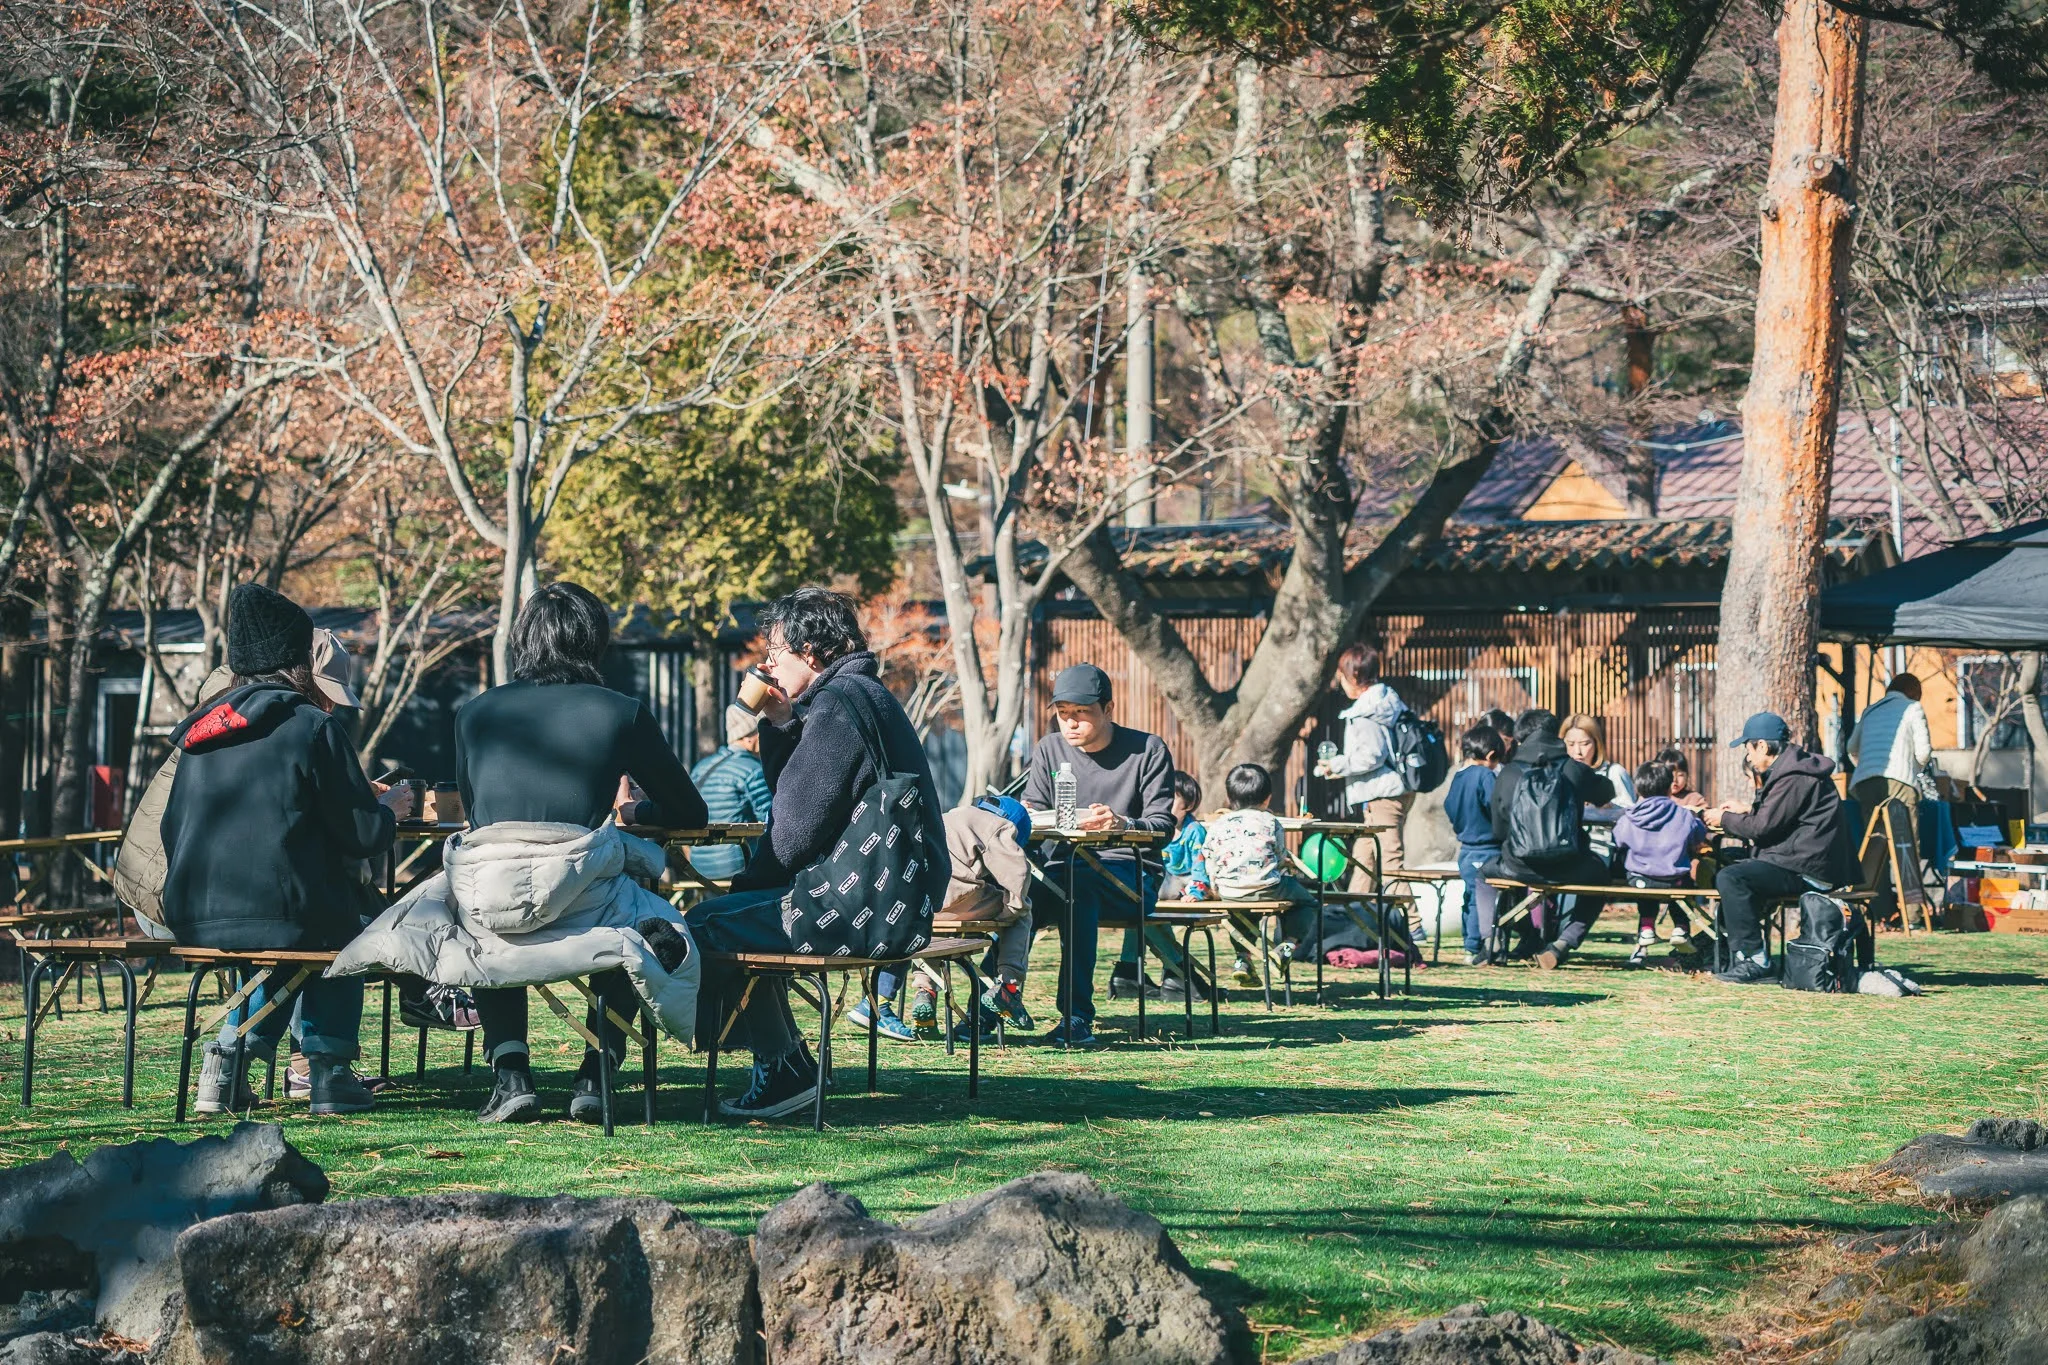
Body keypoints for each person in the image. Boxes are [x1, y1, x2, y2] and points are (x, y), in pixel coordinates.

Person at [451, 582, 709, 1122]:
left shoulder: (473, 713)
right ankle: (598, 1068)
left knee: (488, 898)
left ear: (524, 640)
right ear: (595, 641)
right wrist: (637, 815)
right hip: (580, 897)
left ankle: (510, 1073)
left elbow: (477, 815)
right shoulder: (619, 711)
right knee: (631, 906)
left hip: (488, 897)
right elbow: (690, 812)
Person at [688, 587, 950, 1117]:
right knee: (733, 916)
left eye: (775, 652)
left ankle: (782, 1067)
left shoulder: (838, 705)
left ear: (811, 652)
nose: (767, 665)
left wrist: (760, 726)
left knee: (706, 924)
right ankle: (789, 1066)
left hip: (862, 906)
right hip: (894, 895)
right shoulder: (862, 694)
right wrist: (784, 725)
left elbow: (790, 836)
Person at [160, 584, 414, 1117]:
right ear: (296, 660)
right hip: (283, 914)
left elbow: (169, 829)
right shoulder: (311, 725)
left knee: (291, 938)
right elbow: (363, 835)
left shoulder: (200, 731)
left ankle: (227, 1061)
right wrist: (392, 811)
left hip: (191, 912)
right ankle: (329, 1072)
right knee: (348, 928)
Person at [1020, 662, 1176, 1047]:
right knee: (1016, 895)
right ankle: (988, 1006)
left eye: (1081, 714)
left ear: (1108, 709)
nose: (1070, 724)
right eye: (1063, 714)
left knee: (1079, 887)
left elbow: (1163, 825)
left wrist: (1122, 823)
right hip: (1061, 869)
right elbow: (1033, 813)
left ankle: (1075, 1017)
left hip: (1130, 877)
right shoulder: (1049, 748)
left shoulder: (1147, 749)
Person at [1706, 712, 1849, 984]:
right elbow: (1782, 817)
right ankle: (1731, 951)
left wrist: (1723, 819)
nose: (1748, 757)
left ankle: (1753, 959)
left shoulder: (1792, 776)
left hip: (1806, 869)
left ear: (1761, 745)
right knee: (1734, 863)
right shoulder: (1794, 770)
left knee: (1732, 877)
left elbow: (1762, 828)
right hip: (1805, 861)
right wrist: (1748, 809)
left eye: (1748, 748)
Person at [1486, 708, 1616, 969]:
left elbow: (1499, 831)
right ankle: (1564, 942)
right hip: (1571, 866)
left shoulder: (1509, 773)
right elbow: (1606, 792)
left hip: (1520, 865)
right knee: (1601, 876)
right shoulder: (1573, 769)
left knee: (1486, 875)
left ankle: (1499, 939)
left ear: (1521, 737)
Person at [1203, 764, 1321, 982]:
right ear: (1267, 798)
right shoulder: (1270, 821)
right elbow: (1279, 854)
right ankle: (1286, 945)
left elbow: (1209, 855)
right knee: (1308, 902)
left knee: (1240, 914)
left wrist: (1216, 885)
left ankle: (1242, 959)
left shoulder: (1218, 824)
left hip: (1229, 891)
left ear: (1229, 797)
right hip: (1268, 887)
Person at [1313, 644, 1410, 892]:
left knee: (1390, 862)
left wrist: (1336, 764)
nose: (1341, 683)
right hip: (1389, 791)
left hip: (1382, 794)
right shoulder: (1387, 700)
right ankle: (1355, 915)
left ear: (1354, 676)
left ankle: (1413, 927)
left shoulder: (1368, 711)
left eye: (1342, 677)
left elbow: (1370, 757)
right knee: (1363, 859)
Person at [942, 795, 1037, 1041]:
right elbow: (1017, 871)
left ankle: (925, 990)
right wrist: (1012, 909)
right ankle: (1009, 986)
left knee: (934, 933)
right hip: (956, 900)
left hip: (919, 905)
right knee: (1023, 913)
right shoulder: (999, 826)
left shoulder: (950, 815)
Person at [1845, 673, 1933, 924]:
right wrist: (1914, 770)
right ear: (1914, 692)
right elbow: (1924, 751)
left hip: (1865, 781)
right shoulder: (1913, 707)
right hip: (1900, 781)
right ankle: (1913, 915)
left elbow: (1852, 746)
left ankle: (1876, 910)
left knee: (1875, 847)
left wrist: (1866, 766)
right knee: (1906, 848)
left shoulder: (1870, 710)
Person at [1611, 759, 1708, 966]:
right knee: (1681, 888)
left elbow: (1618, 840)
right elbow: (1698, 834)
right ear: (1668, 787)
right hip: (1675, 879)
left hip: (1639, 879)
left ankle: (1646, 928)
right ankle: (1681, 928)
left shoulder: (1630, 817)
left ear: (1638, 787)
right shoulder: (1683, 815)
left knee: (1647, 889)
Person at [687, 703, 774, 881]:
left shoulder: (701, 767)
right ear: (749, 738)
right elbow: (772, 817)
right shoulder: (752, 770)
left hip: (698, 865)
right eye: (762, 731)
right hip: (738, 863)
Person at [1443, 723, 1504, 965]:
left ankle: (1469, 942)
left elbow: (1449, 806)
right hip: (1487, 847)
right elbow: (1495, 807)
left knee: (1469, 896)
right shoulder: (1486, 775)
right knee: (1484, 897)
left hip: (1465, 849)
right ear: (1491, 756)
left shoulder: (1457, 777)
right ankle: (1478, 945)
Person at [1160, 771, 1209, 900]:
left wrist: (1196, 893)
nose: (1165, 804)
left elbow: (1200, 867)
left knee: (1200, 885)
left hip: (1191, 876)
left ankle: (1188, 892)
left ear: (1188, 804)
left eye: (1172, 799)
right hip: (1170, 877)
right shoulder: (1158, 828)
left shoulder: (1194, 831)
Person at [1656, 746, 1710, 811]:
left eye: (1680, 775)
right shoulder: (1651, 798)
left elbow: (1707, 817)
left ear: (1687, 775)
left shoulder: (1695, 800)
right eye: (1670, 775)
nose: (1674, 780)